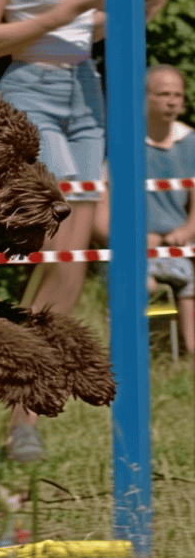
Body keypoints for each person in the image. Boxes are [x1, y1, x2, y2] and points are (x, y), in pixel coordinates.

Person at [0, 0, 170, 460]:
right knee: (61, 253)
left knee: (76, 259)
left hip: (89, 91)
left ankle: (21, 413)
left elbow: (90, 25)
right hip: (32, 90)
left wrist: (135, 11)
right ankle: (14, 401)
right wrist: (74, 6)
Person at [94, 65, 195, 354]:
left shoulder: (190, 143)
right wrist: (131, 241)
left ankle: (187, 354)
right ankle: (145, 352)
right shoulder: (121, 145)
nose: (172, 101)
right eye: (164, 94)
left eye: (178, 94)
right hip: (129, 248)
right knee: (144, 286)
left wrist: (185, 232)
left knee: (189, 284)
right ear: (144, 98)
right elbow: (100, 212)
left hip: (178, 244)